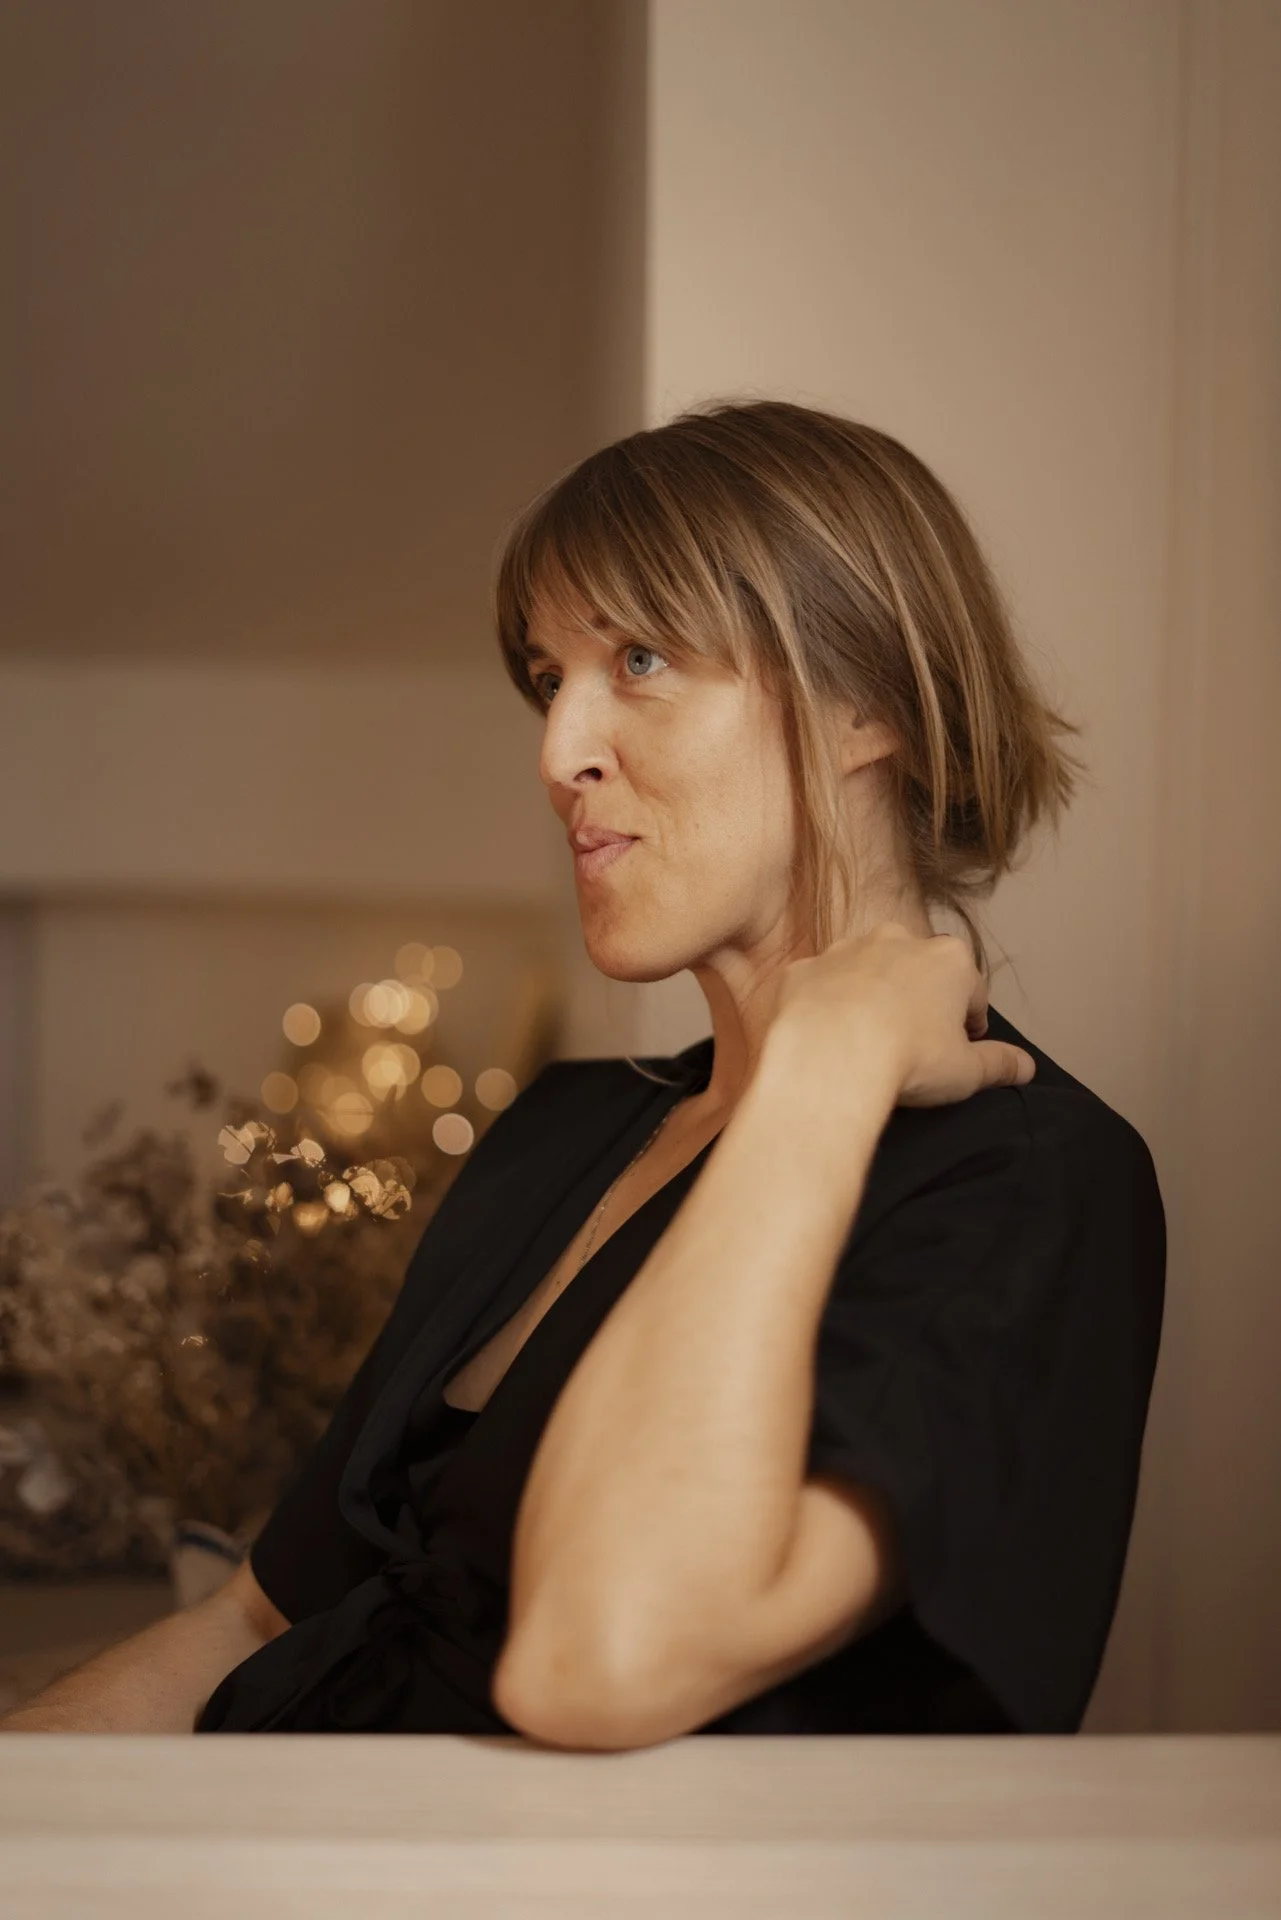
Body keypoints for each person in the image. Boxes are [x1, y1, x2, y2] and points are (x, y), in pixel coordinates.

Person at [1, 398, 1165, 1744]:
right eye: (552, 679)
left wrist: (822, 1067)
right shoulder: (565, 1130)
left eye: (642, 659)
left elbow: (599, 1664)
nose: (560, 755)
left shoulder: (1024, 1184)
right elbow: (253, 1623)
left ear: (868, 704)